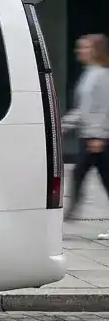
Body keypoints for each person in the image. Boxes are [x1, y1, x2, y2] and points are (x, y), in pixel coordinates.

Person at [64, 33, 109, 236]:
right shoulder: (90, 73)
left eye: (84, 48)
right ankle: (71, 211)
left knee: (80, 173)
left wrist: (99, 136)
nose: (79, 51)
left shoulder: (101, 75)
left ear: (96, 51)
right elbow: (84, 109)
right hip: (90, 137)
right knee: (98, 178)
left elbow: (104, 108)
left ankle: (71, 212)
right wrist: (63, 125)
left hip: (98, 138)